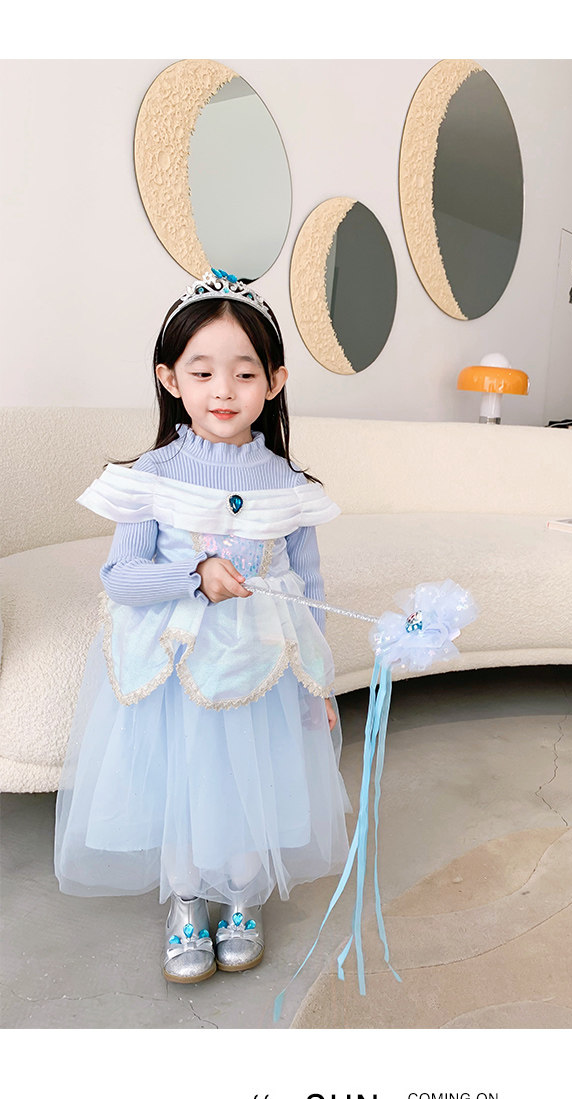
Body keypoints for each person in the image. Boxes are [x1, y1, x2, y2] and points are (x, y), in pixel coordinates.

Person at [54, 269, 352, 984]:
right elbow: (121, 577)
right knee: (186, 784)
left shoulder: (290, 487)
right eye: (203, 371)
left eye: (244, 373)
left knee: (254, 780)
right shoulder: (150, 476)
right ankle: (186, 899)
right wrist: (195, 575)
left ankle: (244, 895)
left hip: (262, 666)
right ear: (170, 378)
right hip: (177, 667)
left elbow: (309, 588)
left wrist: (318, 683)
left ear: (274, 382)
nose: (224, 390)